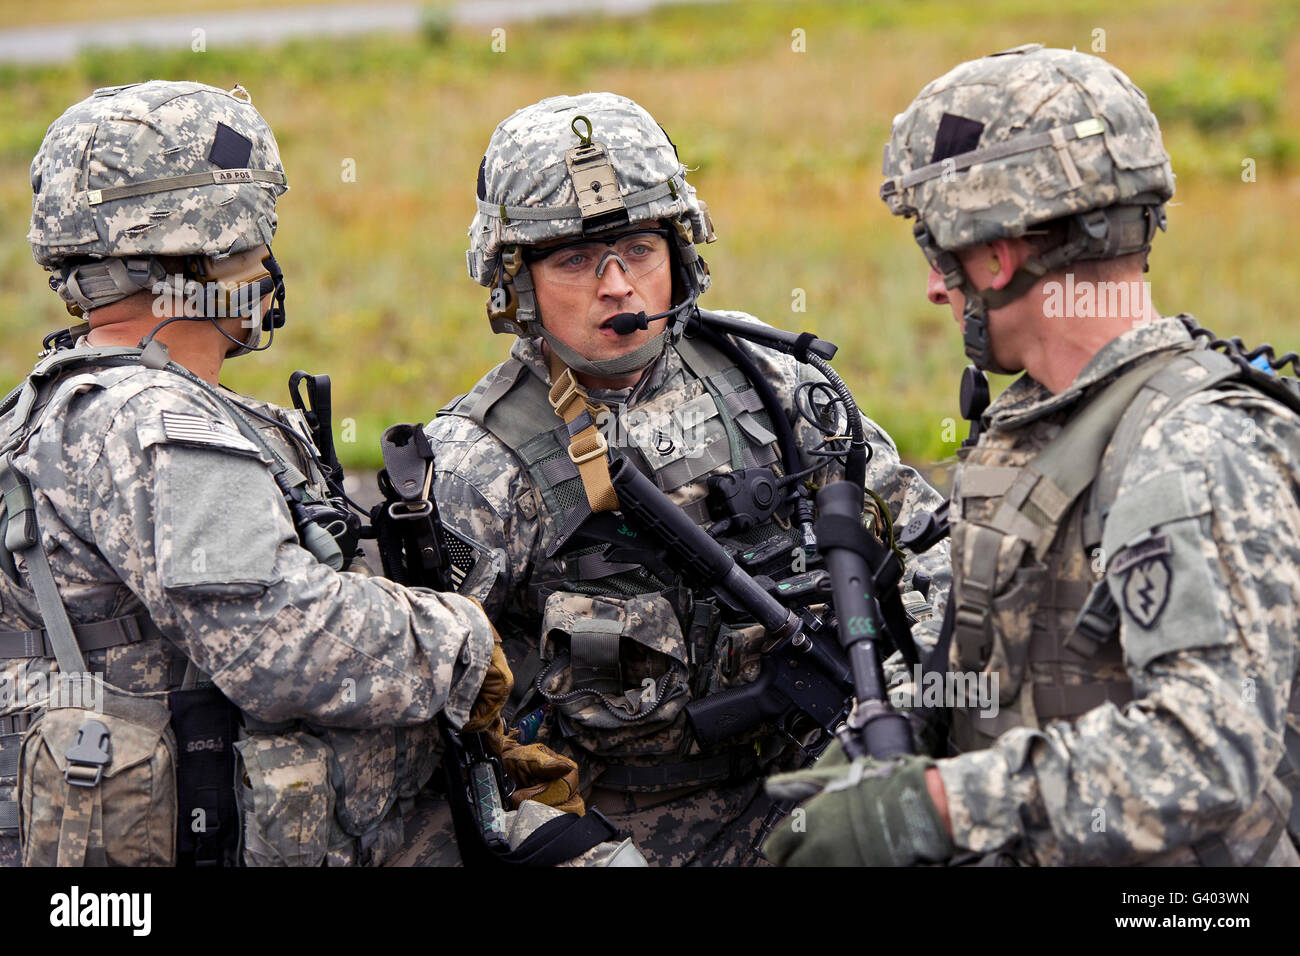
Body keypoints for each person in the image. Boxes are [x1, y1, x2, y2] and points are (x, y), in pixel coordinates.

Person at [0, 80, 618, 868]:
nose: (267, 265)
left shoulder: (66, 399)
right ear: (203, 251)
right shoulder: (155, 424)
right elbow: (277, 638)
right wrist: (459, 639)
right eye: (257, 240)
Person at [764, 44, 1300, 866]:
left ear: (996, 253)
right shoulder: (1036, 423)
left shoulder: (1194, 446)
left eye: (938, 250)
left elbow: (1209, 747)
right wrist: (905, 734)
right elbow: (1003, 664)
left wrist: (936, 806)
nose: (936, 289)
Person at [419, 92, 951, 865]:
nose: (616, 285)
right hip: (624, 832)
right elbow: (444, 727)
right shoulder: (479, 464)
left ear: (681, 251)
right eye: (573, 259)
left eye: (638, 249)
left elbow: (932, 554)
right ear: (517, 282)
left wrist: (902, 717)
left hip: (820, 793)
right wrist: (562, 845)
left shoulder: (780, 387)